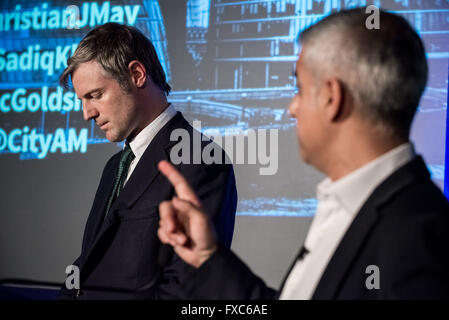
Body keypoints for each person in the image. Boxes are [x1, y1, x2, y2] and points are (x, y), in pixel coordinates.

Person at [157, 8, 449, 299]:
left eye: (299, 89)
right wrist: (208, 257)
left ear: (332, 98)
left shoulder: (416, 239)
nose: (291, 108)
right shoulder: (357, 206)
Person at [57, 23, 237, 299]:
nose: (87, 114)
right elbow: (89, 264)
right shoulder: (114, 168)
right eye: (82, 100)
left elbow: (187, 289)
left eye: (95, 95)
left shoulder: (201, 160)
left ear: (137, 75)